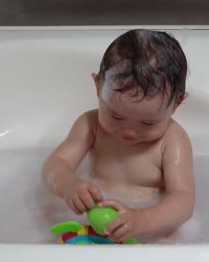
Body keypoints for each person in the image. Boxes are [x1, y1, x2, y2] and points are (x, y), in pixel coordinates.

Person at [41, 29, 194, 243]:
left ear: (176, 105)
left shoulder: (172, 140)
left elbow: (183, 200)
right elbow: (55, 164)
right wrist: (68, 186)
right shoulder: (90, 125)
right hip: (91, 225)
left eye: (148, 122)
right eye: (116, 116)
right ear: (98, 87)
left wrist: (143, 221)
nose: (129, 131)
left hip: (150, 229)